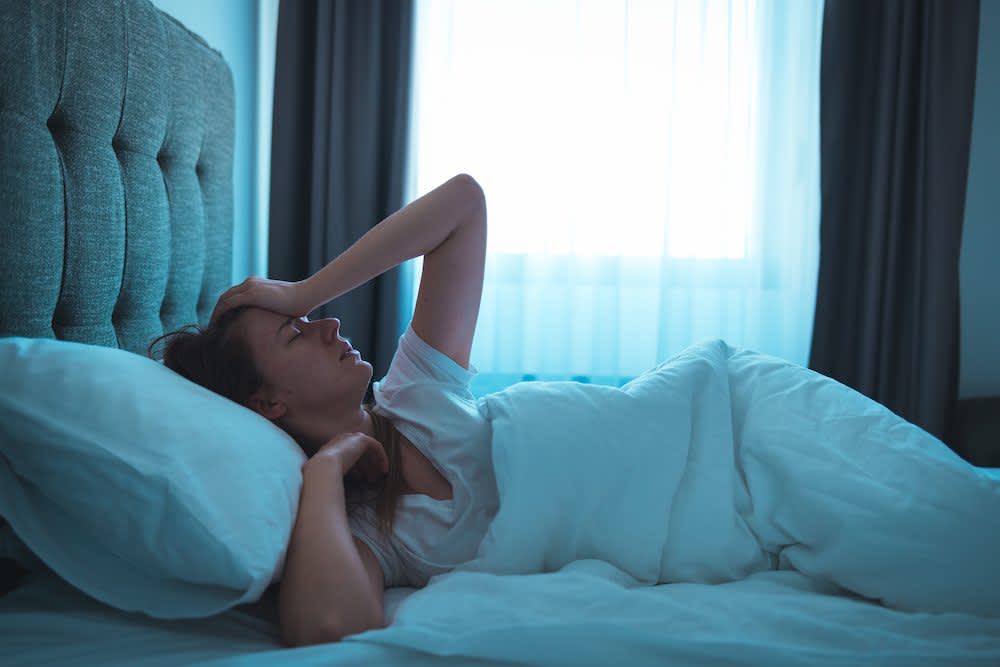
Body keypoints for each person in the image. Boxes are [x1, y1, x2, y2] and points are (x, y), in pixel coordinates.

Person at [149, 174, 493, 647]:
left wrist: (302, 294)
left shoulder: (417, 390)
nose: (329, 323)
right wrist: (327, 468)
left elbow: (464, 201)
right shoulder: (367, 530)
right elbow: (330, 625)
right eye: (295, 333)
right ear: (266, 403)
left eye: (309, 318)